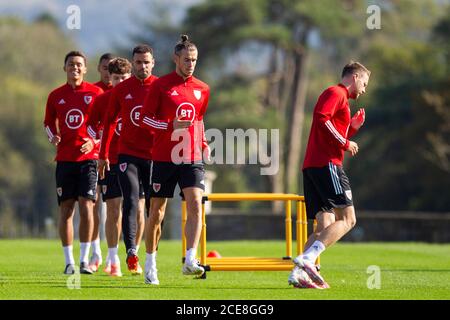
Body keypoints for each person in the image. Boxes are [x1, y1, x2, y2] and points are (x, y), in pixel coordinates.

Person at [288, 61, 370, 289]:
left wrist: (351, 128)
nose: (364, 89)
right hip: (327, 165)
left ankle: (298, 274)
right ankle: (307, 259)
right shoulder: (337, 92)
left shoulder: (341, 98)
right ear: (354, 77)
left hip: (313, 165)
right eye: (364, 82)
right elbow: (321, 117)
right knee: (348, 219)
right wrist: (346, 141)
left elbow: (329, 127)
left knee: (325, 224)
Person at [140, 35, 210, 285]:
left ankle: (190, 260)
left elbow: (199, 120)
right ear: (175, 59)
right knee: (157, 213)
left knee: (195, 204)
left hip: (191, 156)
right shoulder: (160, 86)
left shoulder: (203, 88)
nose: (191, 64)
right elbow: (145, 119)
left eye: (194, 60)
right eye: (187, 59)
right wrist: (171, 125)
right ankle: (150, 263)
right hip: (163, 157)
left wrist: (202, 143)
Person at [99, 45, 157, 275]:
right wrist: (103, 155)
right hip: (127, 155)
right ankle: (131, 251)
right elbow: (109, 123)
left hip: (155, 156)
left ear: (153, 63)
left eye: (146, 62)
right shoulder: (122, 89)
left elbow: (172, 119)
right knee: (131, 202)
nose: (142, 66)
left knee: (154, 208)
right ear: (132, 63)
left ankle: (150, 254)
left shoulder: (160, 87)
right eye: (138, 62)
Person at [44, 51, 104, 275]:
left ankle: (84, 260)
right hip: (65, 160)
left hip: (88, 160)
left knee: (87, 206)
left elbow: (104, 124)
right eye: (71, 64)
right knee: (66, 210)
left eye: (79, 65)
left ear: (85, 69)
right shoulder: (55, 95)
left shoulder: (96, 93)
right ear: (65, 68)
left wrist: (94, 142)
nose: (75, 68)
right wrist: (53, 137)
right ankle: (69, 262)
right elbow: (48, 122)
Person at [87, 57, 142, 277]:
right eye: (116, 78)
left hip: (136, 159)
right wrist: (100, 143)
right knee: (113, 209)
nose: (120, 82)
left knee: (138, 208)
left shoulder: (138, 97)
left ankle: (134, 255)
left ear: (130, 77)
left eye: (124, 77)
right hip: (111, 160)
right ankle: (112, 260)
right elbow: (91, 126)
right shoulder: (103, 100)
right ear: (109, 78)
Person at [89, 53, 116, 271]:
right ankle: (96, 252)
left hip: (118, 156)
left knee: (117, 205)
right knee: (94, 203)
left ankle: (115, 255)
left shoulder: (125, 91)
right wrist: (96, 140)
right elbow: (88, 125)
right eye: (106, 67)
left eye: (113, 68)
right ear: (99, 68)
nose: (109, 72)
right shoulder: (94, 92)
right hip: (94, 156)